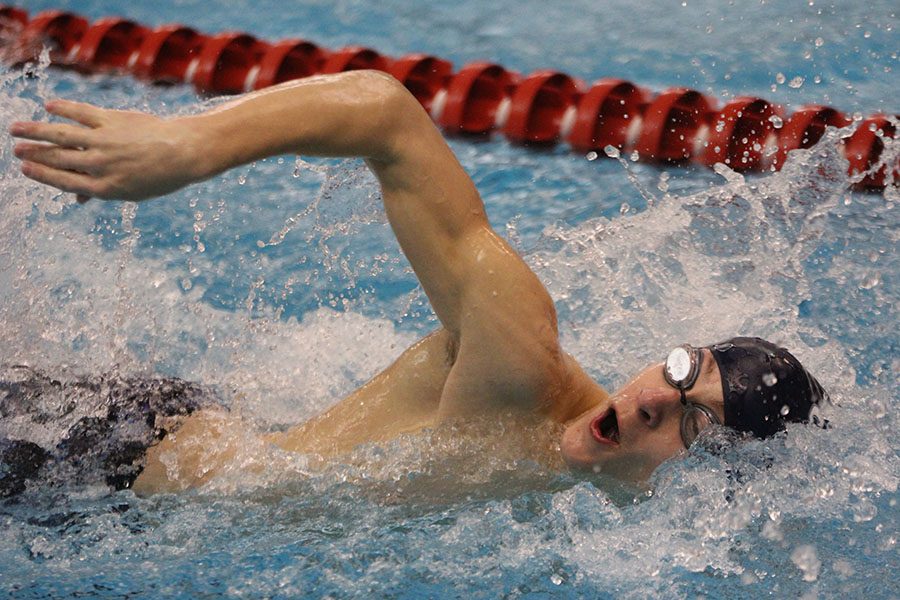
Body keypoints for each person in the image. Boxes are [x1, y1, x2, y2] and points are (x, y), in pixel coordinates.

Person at [7, 70, 828, 496]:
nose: (655, 400)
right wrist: (186, 150)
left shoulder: (619, 519)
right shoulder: (520, 367)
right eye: (683, 373)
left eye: (695, 424)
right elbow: (383, 115)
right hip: (109, 457)